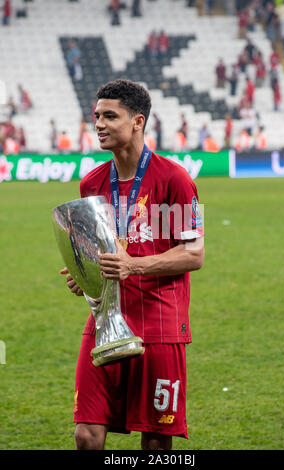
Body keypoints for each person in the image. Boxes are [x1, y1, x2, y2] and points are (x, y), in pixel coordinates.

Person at [60, 79, 204, 450]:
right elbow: (98, 257)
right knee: (86, 434)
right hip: (106, 321)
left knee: (156, 440)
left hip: (160, 325)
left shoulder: (173, 179)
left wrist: (133, 267)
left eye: (111, 116)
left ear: (137, 121)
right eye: (97, 116)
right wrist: (85, 275)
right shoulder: (91, 184)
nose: (99, 124)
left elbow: (193, 254)